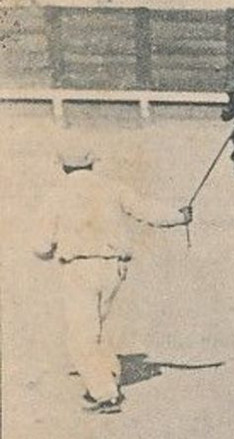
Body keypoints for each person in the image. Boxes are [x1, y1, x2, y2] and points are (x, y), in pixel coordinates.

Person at [34, 144, 193, 413]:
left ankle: (105, 393)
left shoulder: (56, 195)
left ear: (63, 166)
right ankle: (104, 378)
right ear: (92, 163)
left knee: (81, 335)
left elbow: (40, 245)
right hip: (113, 270)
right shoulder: (113, 188)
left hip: (78, 269)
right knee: (96, 328)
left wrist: (48, 253)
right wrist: (179, 217)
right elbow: (147, 211)